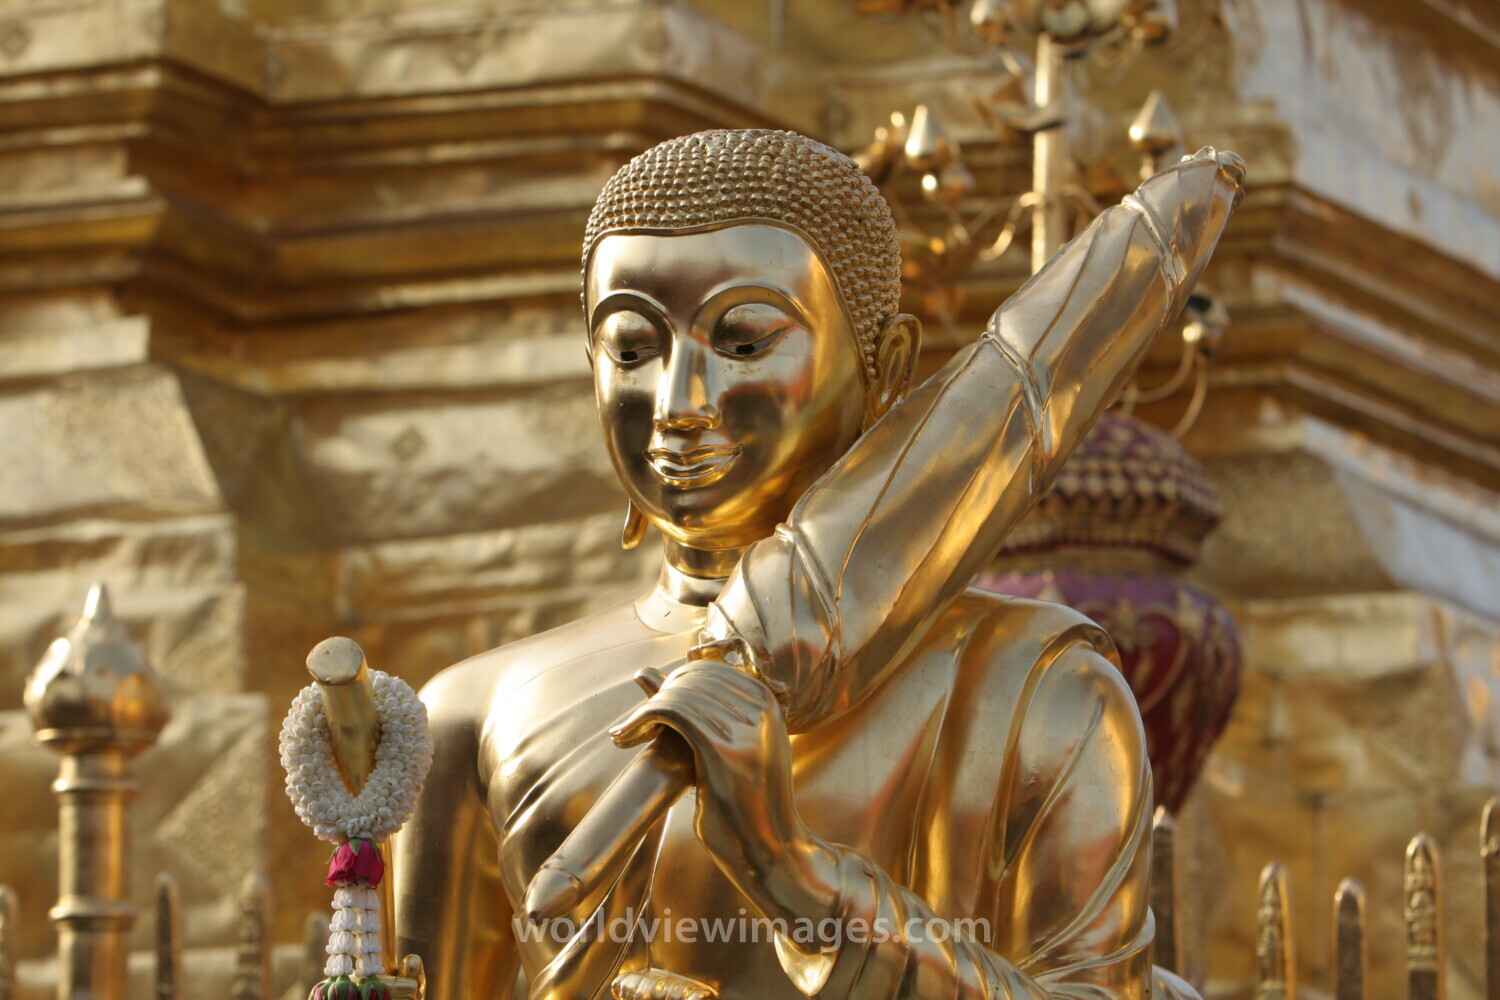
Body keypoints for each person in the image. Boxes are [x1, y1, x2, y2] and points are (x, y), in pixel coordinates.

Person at [394, 129, 1243, 1000]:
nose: (680, 403)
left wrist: (793, 876)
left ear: (889, 369)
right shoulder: (473, 712)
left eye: (746, 341)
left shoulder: (1036, 685)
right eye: (633, 348)